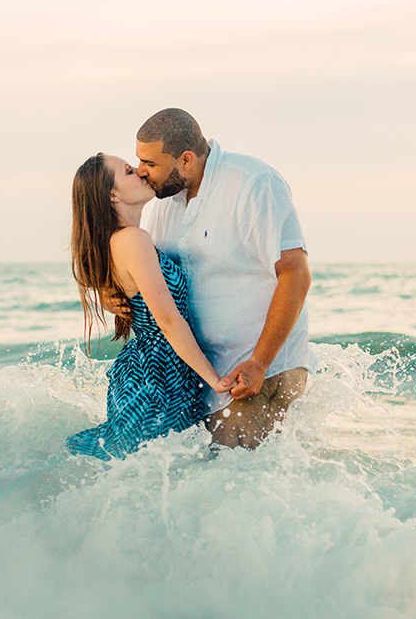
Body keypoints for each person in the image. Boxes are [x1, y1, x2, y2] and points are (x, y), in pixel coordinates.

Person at [133, 108, 314, 449]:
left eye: (151, 163)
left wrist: (260, 361)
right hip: (205, 375)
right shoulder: (162, 203)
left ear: (186, 159)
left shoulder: (253, 183)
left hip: (259, 369)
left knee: (245, 485)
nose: (141, 172)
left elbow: (296, 274)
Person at [66, 153, 232, 460]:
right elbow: (168, 320)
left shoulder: (118, 242)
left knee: (148, 478)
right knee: (165, 477)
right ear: (113, 195)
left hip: (151, 371)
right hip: (159, 376)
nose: (141, 173)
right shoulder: (133, 240)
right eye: (128, 171)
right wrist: (215, 380)